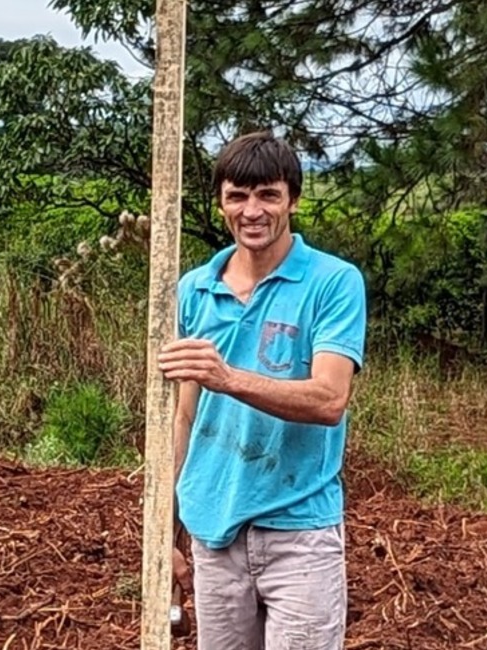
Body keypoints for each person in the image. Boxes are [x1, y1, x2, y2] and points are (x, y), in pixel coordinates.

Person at [157, 130, 367, 649]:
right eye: (237, 196)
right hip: (213, 531)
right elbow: (185, 416)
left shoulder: (332, 282)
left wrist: (227, 377)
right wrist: (167, 533)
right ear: (221, 204)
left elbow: (329, 400)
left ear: (292, 199)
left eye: (268, 194)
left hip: (298, 531)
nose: (252, 211)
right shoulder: (194, 290)